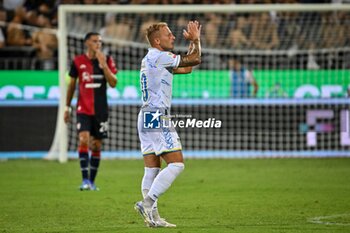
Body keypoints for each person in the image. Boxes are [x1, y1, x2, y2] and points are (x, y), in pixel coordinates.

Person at [134, 21, 201, 228]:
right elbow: (196, 59)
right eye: (168, 34)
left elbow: (187, 68)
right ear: (157, 40)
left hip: (145, 115)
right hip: (156, 114)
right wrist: (196, 40)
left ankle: (153, 218)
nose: (173, 37)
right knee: (177, 163)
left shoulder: (151, 59)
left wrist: (192, 45)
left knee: (152, 169)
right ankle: (147, 203)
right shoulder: (159, 56)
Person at [64, 32, 118, 191]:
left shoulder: (107, 60)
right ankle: (85, 180)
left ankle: (92, 182)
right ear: (87, 42)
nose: (98, 44)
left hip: (101, 110)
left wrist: (104, 66)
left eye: (100, 41)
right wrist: (67, 107)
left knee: (96, 145)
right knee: (83, 140)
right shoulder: (78, 61)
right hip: (83, 109)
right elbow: (72, 86)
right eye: (95, 41)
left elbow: (114, 83)